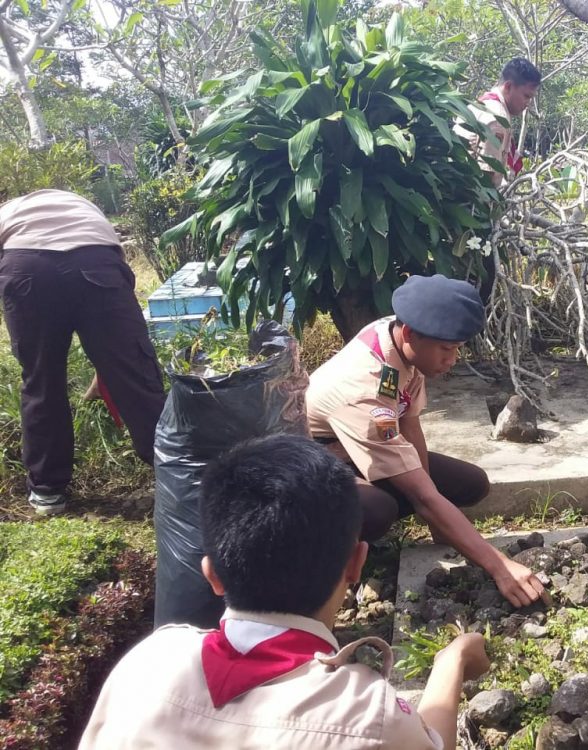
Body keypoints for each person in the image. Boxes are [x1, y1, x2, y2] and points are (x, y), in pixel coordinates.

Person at [79, 435, 490, 749]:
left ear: (212, 574)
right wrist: (451, 660)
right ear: (356, 563)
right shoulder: (368, 714)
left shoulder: (146, 664)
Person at [307, 274, 546, 609]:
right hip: (319, 462)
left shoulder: (398, 339)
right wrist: (499, 566)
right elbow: (420, 493)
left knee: (469, 484)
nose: (453, 360)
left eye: (458, 348)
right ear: (409, 335)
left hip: (358, 444)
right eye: (446, 349)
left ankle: (424, 512)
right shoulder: (364, 389)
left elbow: (409, 418)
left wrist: (436, 512)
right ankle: (323, 563)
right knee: (379, 510)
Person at [0, 189, 166, 515]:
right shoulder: (84, 208)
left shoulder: (9, 215)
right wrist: (111, 364)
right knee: (134, 371)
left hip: (25, 268)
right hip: (96, 261)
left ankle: (48, 493)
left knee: (41, 381)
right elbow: (119, 279)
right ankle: (173, 468)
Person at [461, 57, 542, 189]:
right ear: (508, 86)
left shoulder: (483, 103)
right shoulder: (497, 118)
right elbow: (486, 176)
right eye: (526, 96)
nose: (528, 103)